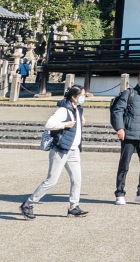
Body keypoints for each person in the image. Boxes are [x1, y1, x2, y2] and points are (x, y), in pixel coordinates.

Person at [21, 85, 88, 219]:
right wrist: (64, 124)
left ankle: (73, 206)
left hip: (73, 149)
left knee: (77, 179)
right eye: (82, 95)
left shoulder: (78, 109)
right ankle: (28, 204)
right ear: (74, 97)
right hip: (61, 149)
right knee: (51, 181)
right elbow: (49, 124)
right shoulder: (63, 110)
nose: (84, 98)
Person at [111, 69, 140, 205]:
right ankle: (120, 193)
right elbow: (118, 111)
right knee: (124, 164)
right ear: (137, 79)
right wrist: (120, 128)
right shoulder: (129, 93)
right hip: (129, 133)